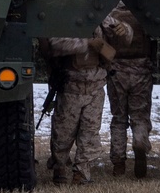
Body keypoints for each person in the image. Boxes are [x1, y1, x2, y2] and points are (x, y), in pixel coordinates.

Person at [41, 32, 114, 184]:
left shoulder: (103, 18)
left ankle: (82, 172)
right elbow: (55, 43)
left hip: (96, 86)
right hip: (71, 86)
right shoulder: (66, 19)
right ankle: (60, 167)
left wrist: (123, 30)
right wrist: (87, 43)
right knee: (63, 132)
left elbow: (125, 36)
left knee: (90, 131)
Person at [101, 2, 155, 178]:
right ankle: (140, 142)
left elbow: (103, 43)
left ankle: (118, 164)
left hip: (117, 70)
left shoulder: (109, 15)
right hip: (141, 69)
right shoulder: (145, 14)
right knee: (139, 116)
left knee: (119, 119)